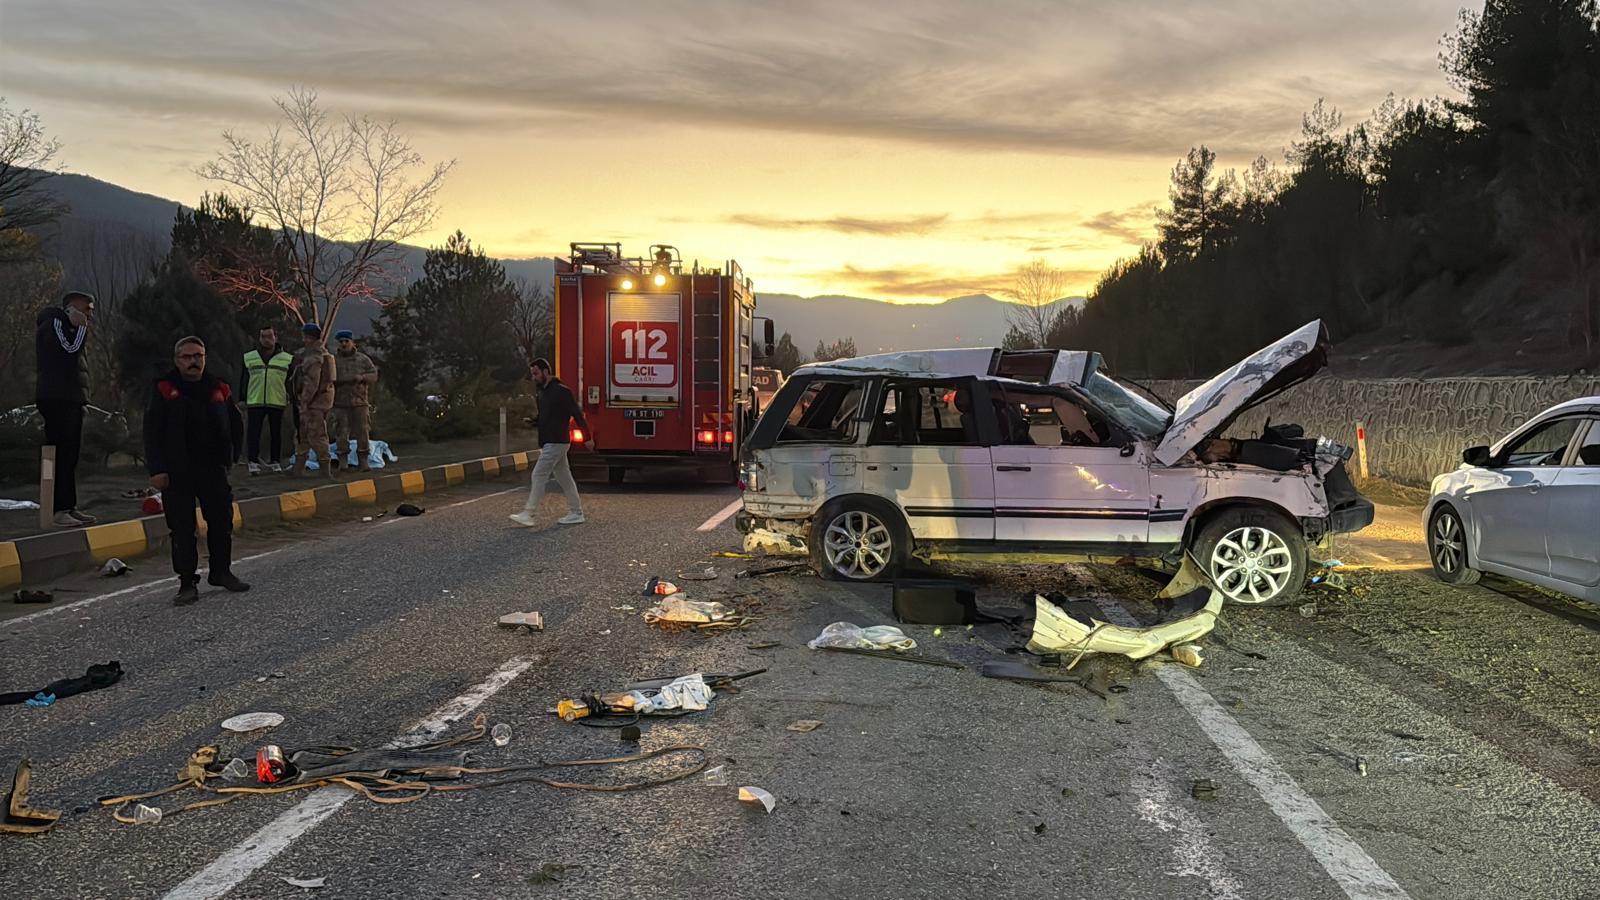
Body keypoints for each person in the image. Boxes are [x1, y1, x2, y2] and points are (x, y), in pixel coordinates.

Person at [143, 336, 249, 605]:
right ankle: (187, 581)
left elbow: (235, 425)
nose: (193, 361)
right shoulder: (164, 388)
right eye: (187, 357)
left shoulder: (219, 387)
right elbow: (152, 432)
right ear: (177, 360)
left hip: (212, 467)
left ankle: (221, 572)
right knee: (182, 528)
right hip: (176, 469)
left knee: (221, 522)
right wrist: (157, 469)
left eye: (198, 356)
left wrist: (232, 458)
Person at [34, 291, 98, 527]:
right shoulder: (54, 324)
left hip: (71, 398)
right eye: (87, 310)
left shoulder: (67, 327)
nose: (89, 316)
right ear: (73, 307)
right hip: (57, 398)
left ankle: (68, 506)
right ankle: (57, 509)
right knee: (59, 455)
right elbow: (69, 350)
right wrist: (81, 329)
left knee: (70, 455)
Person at [510, 358, 594, 528]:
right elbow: (545, 416)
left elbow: (577, 414)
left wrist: (587, 438)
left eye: (536, 373)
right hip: (552, 441)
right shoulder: (543, 393)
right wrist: (534, 421)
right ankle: (576, 513)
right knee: (565, 478)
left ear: (546, 371)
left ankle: (529, 513)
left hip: (556, 441)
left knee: (538, 474)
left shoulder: (562, 391)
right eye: (532, 374)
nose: (534, 378)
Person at [240, 326, 294, 475]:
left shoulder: (287, 358)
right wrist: (242, 398)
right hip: (255, 399)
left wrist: (291, 396)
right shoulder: (249, 357)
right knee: (253, 432)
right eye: (263, 336)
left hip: (277, 400)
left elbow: (290, 381)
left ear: (276, 337)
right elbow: (244, 379)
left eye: (269, 336)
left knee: (276, 433)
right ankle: (253, 462)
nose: (266, 339)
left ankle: (275, 461)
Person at [328, 330, 379, 473]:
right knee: (341, 434)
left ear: (352, 342)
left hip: (359, 402)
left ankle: (363, 461)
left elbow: (374, 375)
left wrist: (362, 377)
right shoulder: (333, 360)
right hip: (340, 403)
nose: (344, 344)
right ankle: (343, 462)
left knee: (363, 432)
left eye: (346, 341)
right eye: (341, 341)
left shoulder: (363, 359)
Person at [293, 323, 336, 478]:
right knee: (304, 434)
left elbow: (312, 382)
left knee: (316, 435)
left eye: (305, 336)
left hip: (313, 404)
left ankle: (325, 470)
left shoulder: (314, 357)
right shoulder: (319, 354)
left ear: (309, 337)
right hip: (318, 402)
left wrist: (304, 401)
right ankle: (298, 469)